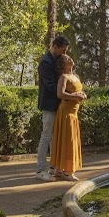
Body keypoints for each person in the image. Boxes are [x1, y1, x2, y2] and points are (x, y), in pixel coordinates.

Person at [35, 35, 70, 181]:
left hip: (58, 105)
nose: (64, 54)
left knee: (55, 138)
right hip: (49, 105)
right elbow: (50, 85)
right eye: (63, 50)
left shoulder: (56, 60)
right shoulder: (45, 62)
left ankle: (54, 167)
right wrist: (68, 93)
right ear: (55, 47)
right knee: (46, 136)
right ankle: (40, 170)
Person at [51, 54, 86, 181]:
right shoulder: (63, 77)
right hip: (66, 112)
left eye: (70, 57)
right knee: (67, 140)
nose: (70, 59)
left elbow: (77, 91)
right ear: (63, 64)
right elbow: (60, 94)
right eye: (67, 59)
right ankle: (67, 171)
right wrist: (76, 96)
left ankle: (60, 170)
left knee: (70, 139)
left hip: (74, 111)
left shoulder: (76, 76)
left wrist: (82, 94)